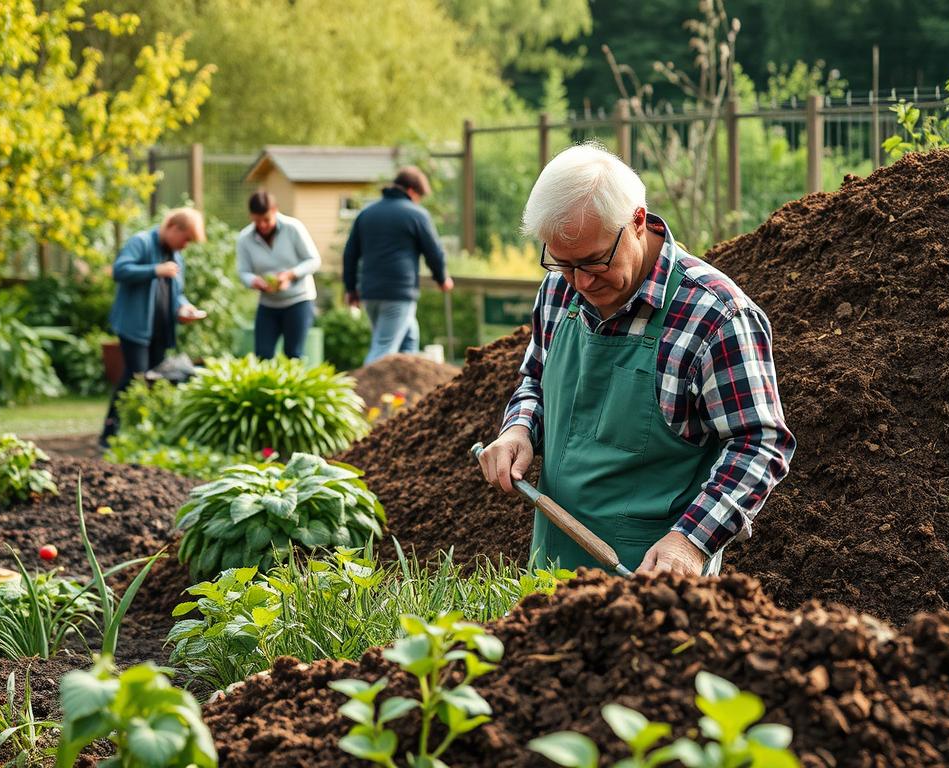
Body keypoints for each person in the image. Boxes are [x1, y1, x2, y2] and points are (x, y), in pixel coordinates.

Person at [476, 143, 795, 577]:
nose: (582, 281)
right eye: (564, 264)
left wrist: (691, 541)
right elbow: (535, 378)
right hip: (551, 568)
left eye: (594, 261)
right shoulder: (560, 290)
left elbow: (759, 444)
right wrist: (519, 430)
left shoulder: (716, 317)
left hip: (651, 582)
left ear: (638, 222)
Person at [100, 207, 207, 446]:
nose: (186, 245)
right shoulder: (141, 242)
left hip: (160, 329)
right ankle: (110, 434)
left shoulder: (176, 256)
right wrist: (154, 270)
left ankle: (140, 433)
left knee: (154, 380)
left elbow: (176, 293)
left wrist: (185, 308)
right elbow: (120, 270)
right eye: (186, 238)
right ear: (173, 228)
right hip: (135, 326)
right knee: (136, 378)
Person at [341, 166, 453, 364]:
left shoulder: (366, 214)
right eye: (419, 196)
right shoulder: (416, 214)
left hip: (370, 293)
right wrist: (442, 278)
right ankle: (367, 393)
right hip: (398, 293)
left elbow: (350, 254)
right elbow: (434, 251)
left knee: (409, 339)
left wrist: (350, 288)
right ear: (411, 191)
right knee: (383, 350)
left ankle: (404, 392)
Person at [235, 190, 322, 359]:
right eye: (257, 221)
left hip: (299, 300)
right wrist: (254, 281)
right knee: (262, 355)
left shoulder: (293, 228)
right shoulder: (244, 238)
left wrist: (290, 275)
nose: (262, 225)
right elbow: (243, 272)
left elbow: (313, 260)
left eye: (266, 220)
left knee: (293, 353)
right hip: (268, 304)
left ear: (275, 211)